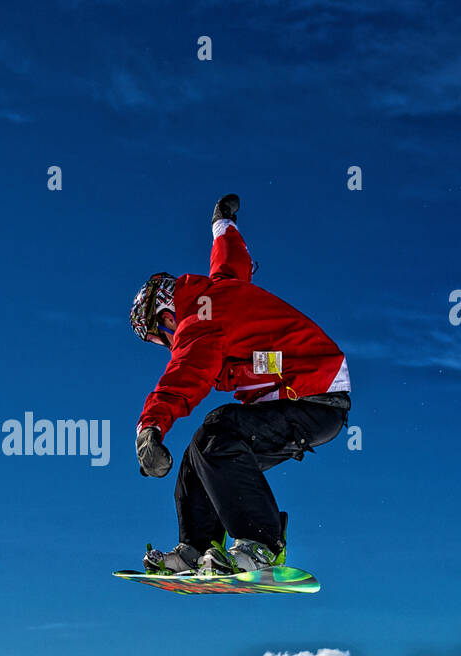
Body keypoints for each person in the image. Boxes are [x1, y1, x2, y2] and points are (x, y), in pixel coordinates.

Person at [130, 193, 352, 575]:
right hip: (298, 390)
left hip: (314, 395)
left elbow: (185, 374)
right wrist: (223, 224)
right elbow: (230, 258)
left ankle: (262, 546)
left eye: (156, 337)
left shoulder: (198, 322)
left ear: (166, 315)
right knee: (203, 447)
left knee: (220, 435)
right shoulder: (217, 291)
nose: (163, 345)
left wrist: (150, 427)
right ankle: (195, 547)